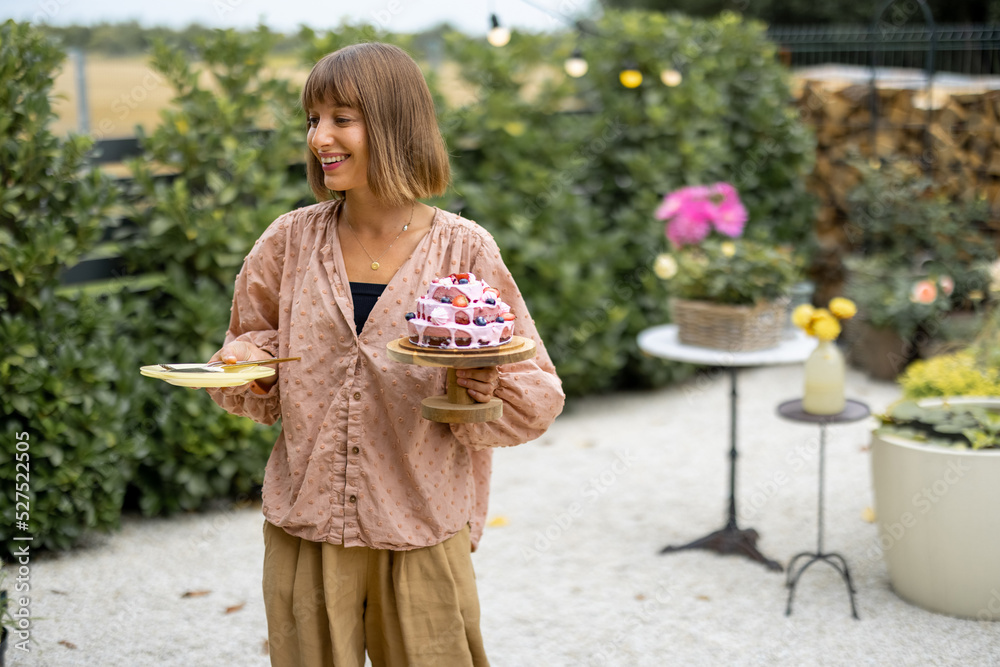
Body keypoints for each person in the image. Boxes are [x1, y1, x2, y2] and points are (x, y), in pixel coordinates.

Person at [206, 42, 564, 667]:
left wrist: (482, 390)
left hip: (421, 519)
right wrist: (250, 371)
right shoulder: (289, 241)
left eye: (341, 118)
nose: (320, 137)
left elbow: (533, 386)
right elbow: (250, 343)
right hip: (309, 519)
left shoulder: (464, 249)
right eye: (313, 119)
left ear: (395, 124)